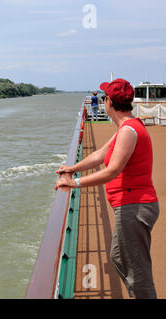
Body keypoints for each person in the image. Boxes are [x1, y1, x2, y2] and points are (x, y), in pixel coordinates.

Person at [55, 78, 159, 299]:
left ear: (109, 102)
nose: (103, 102)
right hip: (131, 205)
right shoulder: (125, 128)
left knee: (137, 273)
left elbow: (112, 170)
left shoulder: (128, 131)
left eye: (104, 98)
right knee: (119, 257)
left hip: (135, 206)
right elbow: (99, 154)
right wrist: (72, 168)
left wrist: (75, 183)